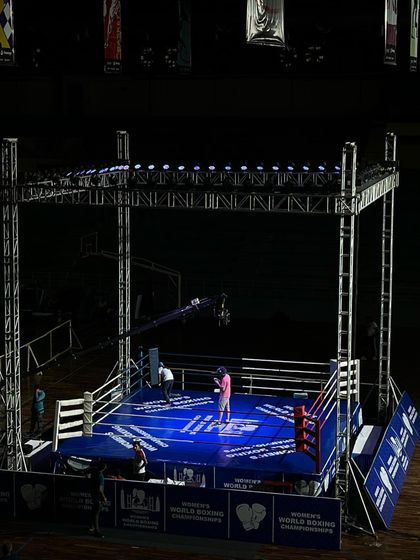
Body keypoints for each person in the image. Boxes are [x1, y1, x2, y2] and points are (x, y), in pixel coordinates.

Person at [88, 461, 107, 538]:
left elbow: (87, 471)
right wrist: (103, 497)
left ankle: (91, 526)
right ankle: (97, 531)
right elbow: (100, 489)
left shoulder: (94, 471)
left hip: (93, 494)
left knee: (94, 511)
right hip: (97, 496)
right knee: (96, 513)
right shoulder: (100, 476)